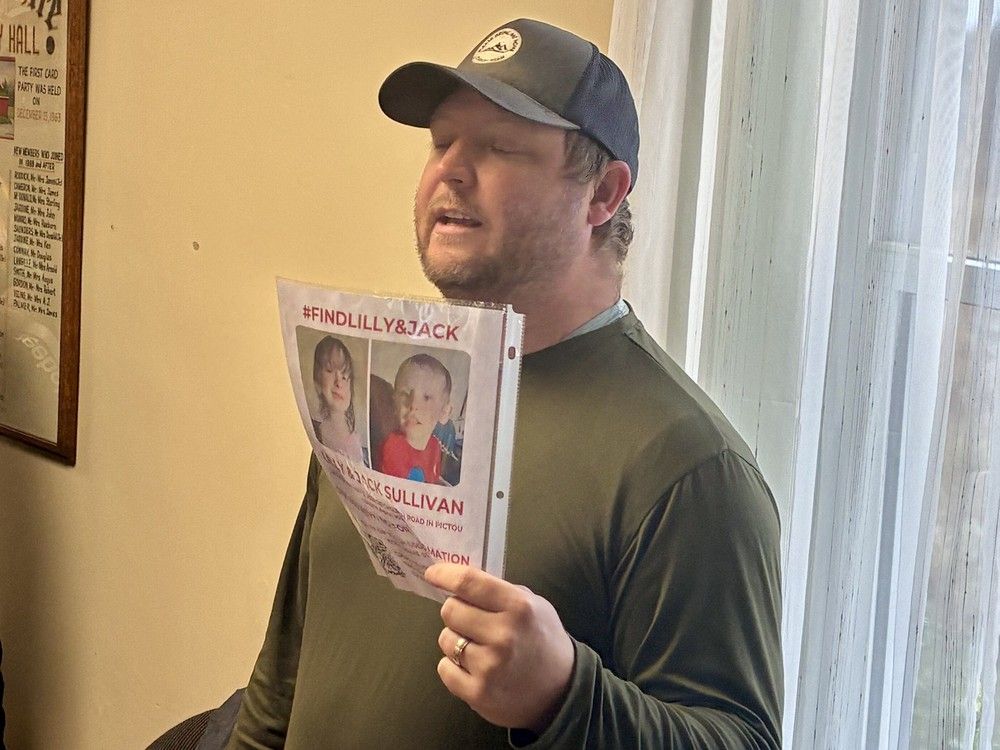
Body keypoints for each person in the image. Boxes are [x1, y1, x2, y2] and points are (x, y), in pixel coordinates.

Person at [229, 17, 782, 749]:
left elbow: (738, 739)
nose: (448, 172)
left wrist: (564, 698)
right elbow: (282, 683)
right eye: (440, 142)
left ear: (603, 194)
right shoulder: (379, 389)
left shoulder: (687, 466)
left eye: (498, 146)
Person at [377, 353, 453, 483]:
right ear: (394, 403)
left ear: (444, 412)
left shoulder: (435, 446)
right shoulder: (393, 446)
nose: (413, 405)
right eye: (405, 394)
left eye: (427, 397)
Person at [310, 335, 365, 465]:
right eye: (330, 370)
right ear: (317, 381)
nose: (339, 383)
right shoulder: (318, 432)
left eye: (345, 376)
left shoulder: (356, 441)